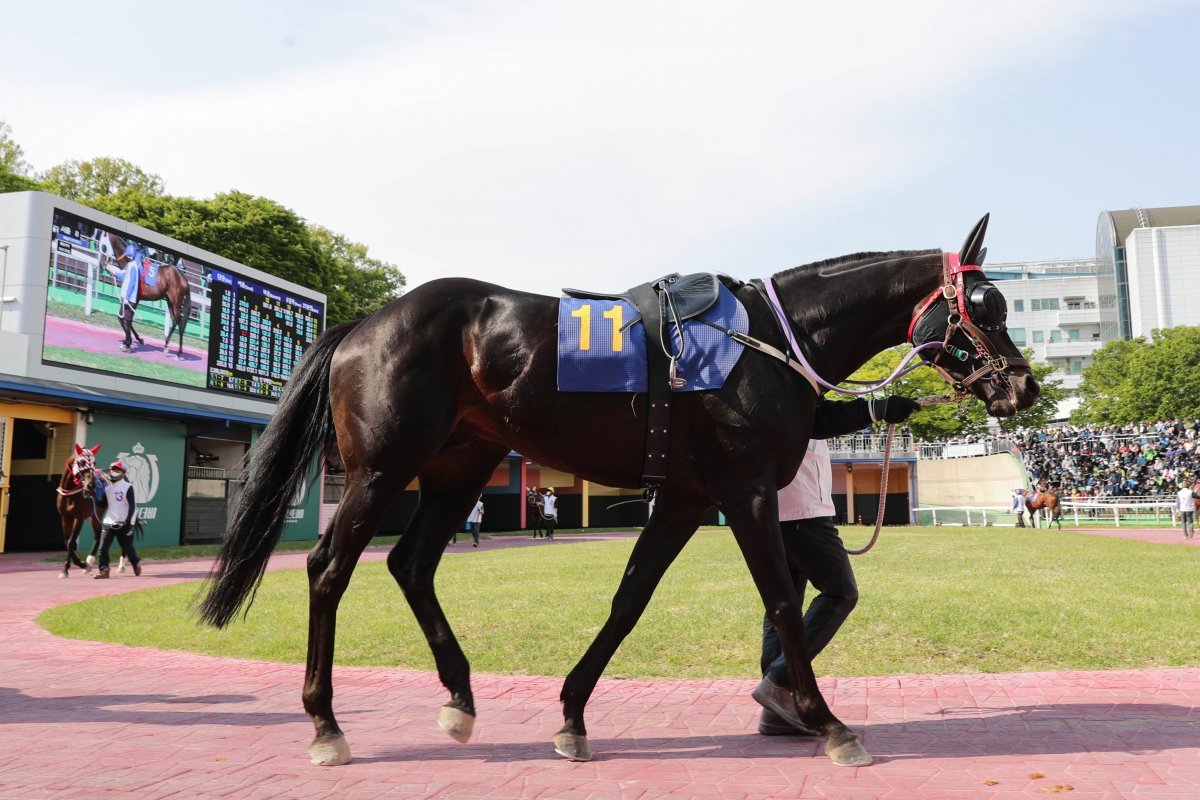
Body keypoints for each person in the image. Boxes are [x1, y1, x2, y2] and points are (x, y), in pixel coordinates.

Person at [752, 394, 920, 736]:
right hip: (802, 508)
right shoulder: (788, 380)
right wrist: (876, 409)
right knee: (840, 593)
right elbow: (823, 417)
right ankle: (781, 680)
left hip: (775, 509)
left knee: (784, 606)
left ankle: (779, 710)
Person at [93, 461, 142, 579]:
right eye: (112, 470)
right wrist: (93, 497)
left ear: (123, 473)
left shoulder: (128, 487)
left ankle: (135, 563)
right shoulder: (108, 488)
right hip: (108, 522)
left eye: (117, 470)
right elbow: (103, 503)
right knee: (102, 549)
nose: (114, 472)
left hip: (123, 523)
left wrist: (129, 523)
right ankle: (104, 570)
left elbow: (132, 506)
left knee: (128, 548)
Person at [104, 243, 143, 352]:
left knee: (125, 320)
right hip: (126, 298)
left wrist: (126, 297)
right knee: (121, 318)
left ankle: (128, 343)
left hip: (130, 300)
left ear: (133, 255)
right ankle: (128, 340)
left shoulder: (134, 266)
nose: (129, 257)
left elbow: (131, 283)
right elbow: (122, 275)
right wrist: (111, 269)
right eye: (128, 255)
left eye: (131, 255)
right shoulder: (130, 265)